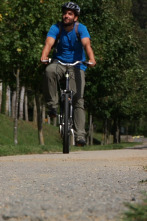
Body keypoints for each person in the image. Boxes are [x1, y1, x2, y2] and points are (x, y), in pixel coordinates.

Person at [41, 2, 96, 146]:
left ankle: (79, 136)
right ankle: (52, 106)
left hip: (77, 65)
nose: (66, 15)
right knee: (49, 71)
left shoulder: (81, 29)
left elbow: (86, 45)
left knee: (78, 99)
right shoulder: (56, 27)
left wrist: (91, 59)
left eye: (70, 14)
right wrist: (44, 56)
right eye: (65, 13)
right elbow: (48, 43)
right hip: (59, 62)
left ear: (75, 17)